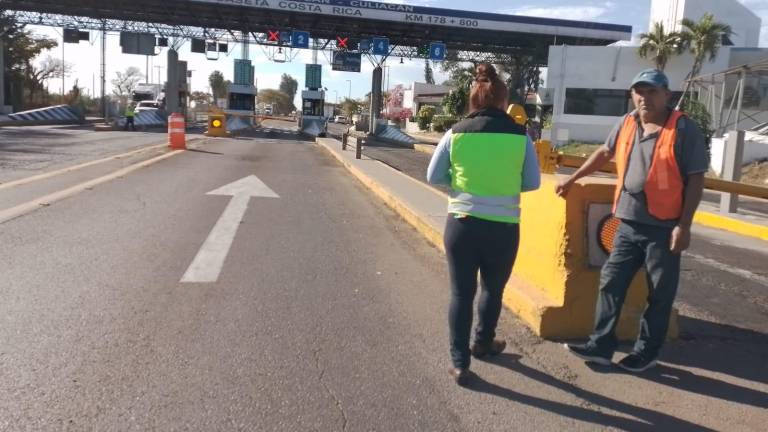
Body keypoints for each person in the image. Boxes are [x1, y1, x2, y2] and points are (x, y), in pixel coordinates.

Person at [557, 69, 708, 373]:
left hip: (664, 227)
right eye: (639, 91)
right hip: (626, 221)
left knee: (660, 294)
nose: (644, 97)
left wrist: (685, 225)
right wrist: (573, 178)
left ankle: (646, 352)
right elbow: (604, 152)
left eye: (652, 91)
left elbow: (696, 179)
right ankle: (600, 346)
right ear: (632, 95)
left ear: (667, 95)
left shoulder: (684, 129)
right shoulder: (627, 122)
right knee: (611, 282)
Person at [427, 64, 541, 385]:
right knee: (493, 289)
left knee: (461, 294)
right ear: (504, 101)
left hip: (461, 225)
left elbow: (433, 176)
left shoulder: (456, 132)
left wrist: (461, 184)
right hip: (503, 227)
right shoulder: (521, 136)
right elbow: (532, 183)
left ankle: (460, 363)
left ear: (473, 100)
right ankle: (483, 342)